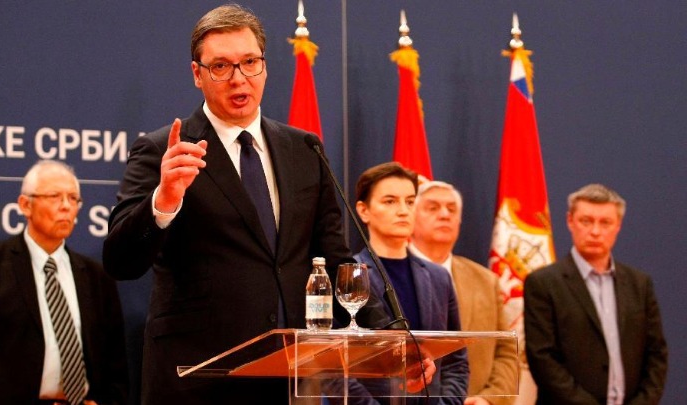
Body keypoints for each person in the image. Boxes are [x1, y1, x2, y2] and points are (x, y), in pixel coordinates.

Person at [102, 4, 430, 404]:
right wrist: (164, 200)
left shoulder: (304, 149)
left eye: (250, 62)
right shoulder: (164, 151)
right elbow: (120, 261)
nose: (239, 78)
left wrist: (391, 341)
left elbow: (334, 258)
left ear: (265, 67)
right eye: (220, 66)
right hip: (197, 380)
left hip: (290, 378)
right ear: (197, 75)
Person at [0, 160, 128, 405]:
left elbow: (116, 364)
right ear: (25, 205)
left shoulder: (96, 276)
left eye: (73, 198)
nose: (66, 206)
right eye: (54, 196)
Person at [524, 183, 668, 405]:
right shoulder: (543, 283)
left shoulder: (640, 284)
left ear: (618, 225)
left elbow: (656, 354)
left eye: (605, 222)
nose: (595, 232)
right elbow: (542, 359)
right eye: (586, 221)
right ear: (570, 221)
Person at [349, 162, 469, 404]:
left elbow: (455, 359)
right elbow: (332, 367)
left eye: (410, 202)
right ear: (364, 211)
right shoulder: (349, 275)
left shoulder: (438, 277)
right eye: (390, 201)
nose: (403, 211)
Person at [410, 181, 518, 405]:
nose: (444, 215)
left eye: (451, 209)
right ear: (410, 216)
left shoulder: (485, 280)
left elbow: (506, 352)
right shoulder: (388, 274)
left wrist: (489, 399)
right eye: (433, 208)